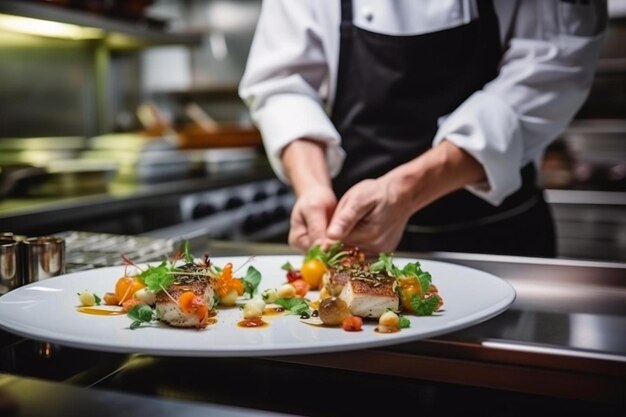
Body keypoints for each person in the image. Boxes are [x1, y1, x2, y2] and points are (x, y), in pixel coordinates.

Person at [239, 0, 608, 257]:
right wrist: (314, 188)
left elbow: (550, 73)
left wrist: (406, 191)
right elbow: (282, 84)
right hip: (353, 244)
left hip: (495, 238)